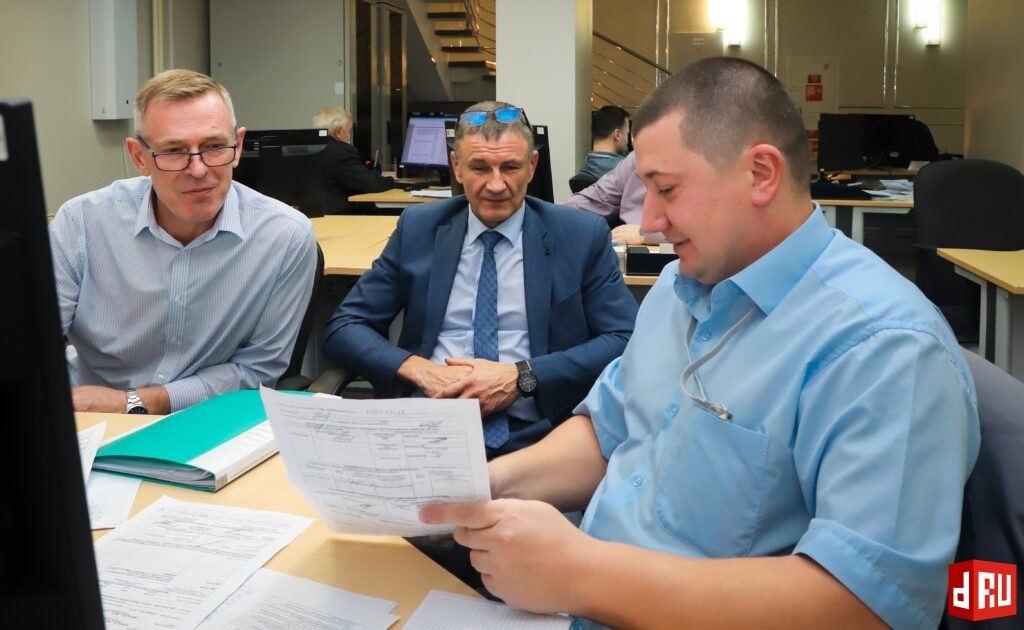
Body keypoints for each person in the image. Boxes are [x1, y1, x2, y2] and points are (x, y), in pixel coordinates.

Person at [420, 58, 980, 629]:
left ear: (761, 174)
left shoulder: (884, 348)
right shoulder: (677, 287)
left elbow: (865, 606)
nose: (650, 222)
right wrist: (485, 484)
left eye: (666, 190)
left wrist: (580, 573)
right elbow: (609, 429)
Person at [323, 100, 637, 459]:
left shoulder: (579, 235)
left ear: (532, 166)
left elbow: (624, 338)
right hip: (427, 428)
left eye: (510, 167)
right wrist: (419, 370)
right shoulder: (419, 228)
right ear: (457, 166)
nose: (496, 184)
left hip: (537, 435)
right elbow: (345, 327)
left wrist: (522, 376)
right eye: (480, 167)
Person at [50, 69, 318, 415]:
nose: (198, 169)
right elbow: (29, 343)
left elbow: (257, 371)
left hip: (206, 418)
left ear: (237, 146)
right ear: (139, 157)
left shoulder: (284, 236)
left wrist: (132, 402)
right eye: (174, 151)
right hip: (91, 417)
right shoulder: (82, 222)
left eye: (214, 147)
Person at [313, 106, 396, 214]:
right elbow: (370, 184)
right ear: (338, 131)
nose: (349, 137)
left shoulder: (310, 147)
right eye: (349, 132)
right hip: (339, 216)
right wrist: (392, 181)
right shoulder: (341, 151)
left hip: (310, 217)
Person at [564, 151, 657, 244]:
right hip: (628, 247)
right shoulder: (636, 158)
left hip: (658, 248)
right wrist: (557, 214)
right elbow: (598, 198)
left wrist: (645, 234)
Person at [576, 105, 630, 180]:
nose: (627, 140)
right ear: (617, 135)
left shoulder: (586, 166)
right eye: (627, 134)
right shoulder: (627, 169)